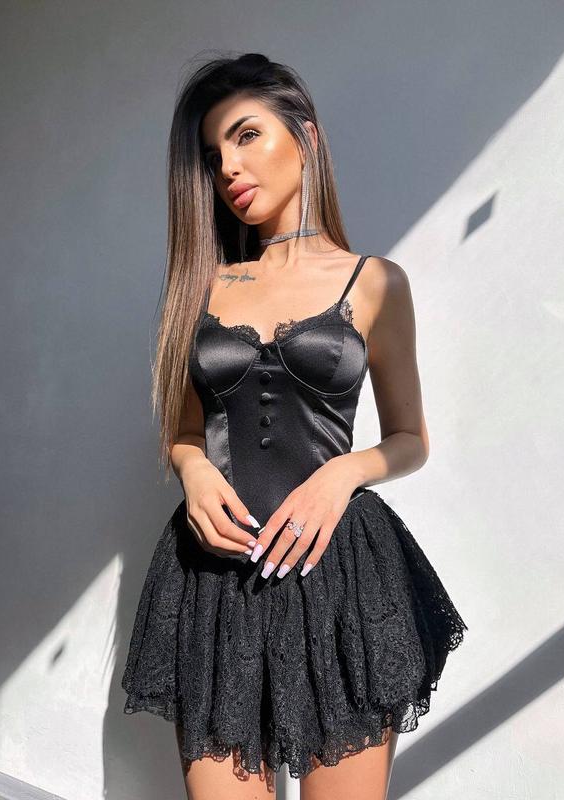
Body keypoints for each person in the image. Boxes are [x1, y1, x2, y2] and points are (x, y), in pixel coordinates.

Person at [121, 52, 468, 800]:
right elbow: (184, 431)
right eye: (213, 156)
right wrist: (193, 469)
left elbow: (410, 439)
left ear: (305, 137)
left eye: (246, 135)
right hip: (215, 581)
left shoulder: (374, 282)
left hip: (338, 574)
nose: (229, 168)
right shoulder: (200, 285)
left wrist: (342, 474)